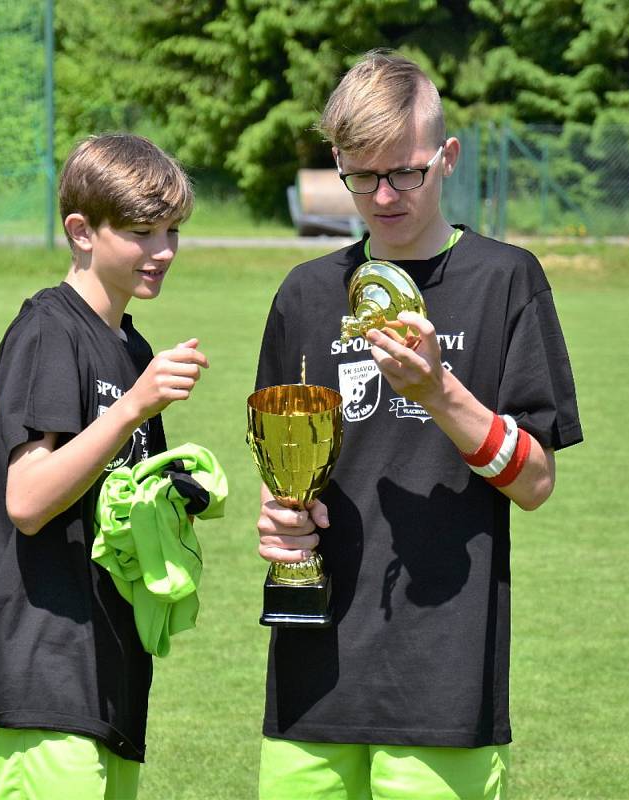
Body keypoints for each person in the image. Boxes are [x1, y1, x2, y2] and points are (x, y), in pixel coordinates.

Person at [253, 50, 582, 800]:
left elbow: (534, 482)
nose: (384, 195)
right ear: (338, 163)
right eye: (360, 176)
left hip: (442, 677)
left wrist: (437, 390)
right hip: (312, 670)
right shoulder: (304, 294)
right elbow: (283, 471)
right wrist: (279, 524)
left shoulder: (507, 280)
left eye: (405, 172)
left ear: (446, 157)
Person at [0, 133, 209, 799]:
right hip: (41, 677)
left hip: (109, 679)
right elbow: (28, 501)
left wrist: (173, 496)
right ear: (81, 230)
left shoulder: (130, 346)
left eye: (173, 231)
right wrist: (133, 409)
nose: (164, 252)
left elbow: (109, 503)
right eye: (142, 232)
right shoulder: (49, 329)